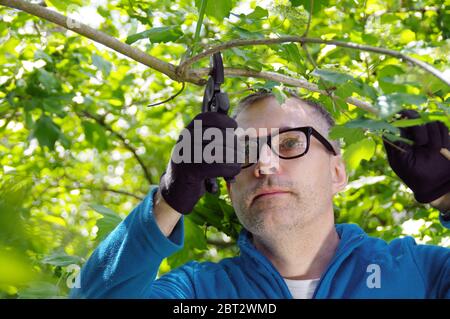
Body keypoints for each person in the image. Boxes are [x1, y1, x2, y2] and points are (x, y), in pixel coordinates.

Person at [70, 91, 450, 299]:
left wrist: (447, 195)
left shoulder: (422, 275)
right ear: (227, 181)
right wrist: (169, 199)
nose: (264, 165)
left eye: (288, 143)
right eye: (244, 151)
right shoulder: (196, 294)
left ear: (337, 172)